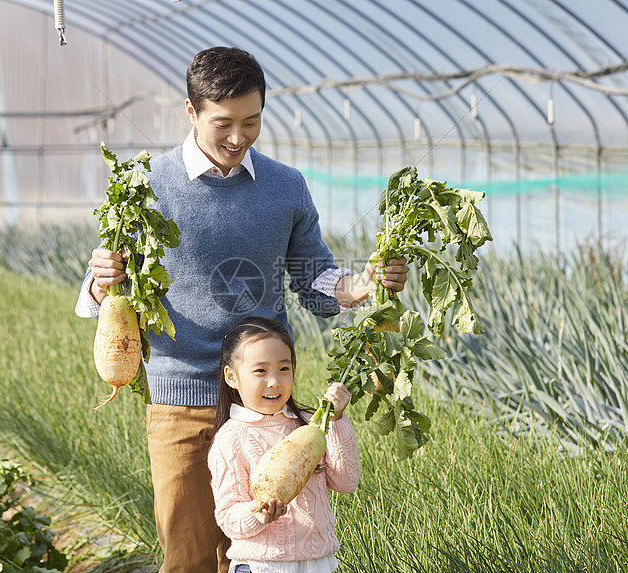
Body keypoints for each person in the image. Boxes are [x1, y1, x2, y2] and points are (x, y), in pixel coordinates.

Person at [75, 46, 408, 573]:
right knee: (188, 557)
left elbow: (315, 277)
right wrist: (102, 280)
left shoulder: (285, 186)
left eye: (251, 122)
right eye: (222, 123)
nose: (237, 138)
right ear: (191, 112)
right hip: (179, 400)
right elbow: (97, 299)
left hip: (265, 405)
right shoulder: (147, 187)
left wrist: (363, 285)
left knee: (263, 552)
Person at [208, 316, 359, 573]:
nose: (274, 381)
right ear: (231, 377)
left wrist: (337, 420)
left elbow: (346, 482)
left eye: (284, 369)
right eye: (260, 371)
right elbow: (227, 517)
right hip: (261, 566)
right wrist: (257, 516)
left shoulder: (311, 425)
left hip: (317, 563)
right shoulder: (230, 439)